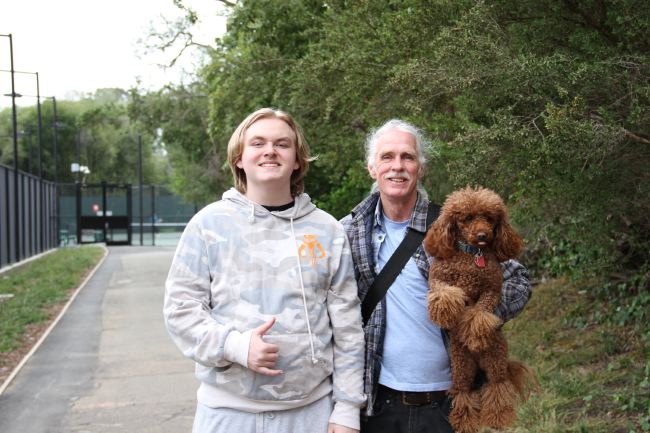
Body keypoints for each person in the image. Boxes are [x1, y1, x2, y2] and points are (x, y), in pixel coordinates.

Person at [164, 108, 366, 433]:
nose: (270, 151)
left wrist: (347, 408)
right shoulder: (208, 225)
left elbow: (347, 327)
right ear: (239, 159)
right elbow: (180, 311)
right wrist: (236, 346)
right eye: (257, 143)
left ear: (297, 159)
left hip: (310, 413)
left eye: (282, 144)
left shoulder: (327, 230)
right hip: (227, 413)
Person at [340, 119, 532, 433]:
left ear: (421, 168)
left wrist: (480, 317)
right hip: (377, 403)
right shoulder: (348, 232)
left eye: (408, 157)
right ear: (372, 168)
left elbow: (519, 280)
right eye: (387, 157)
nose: (397, 166)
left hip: (446, 402)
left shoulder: (453, 226)